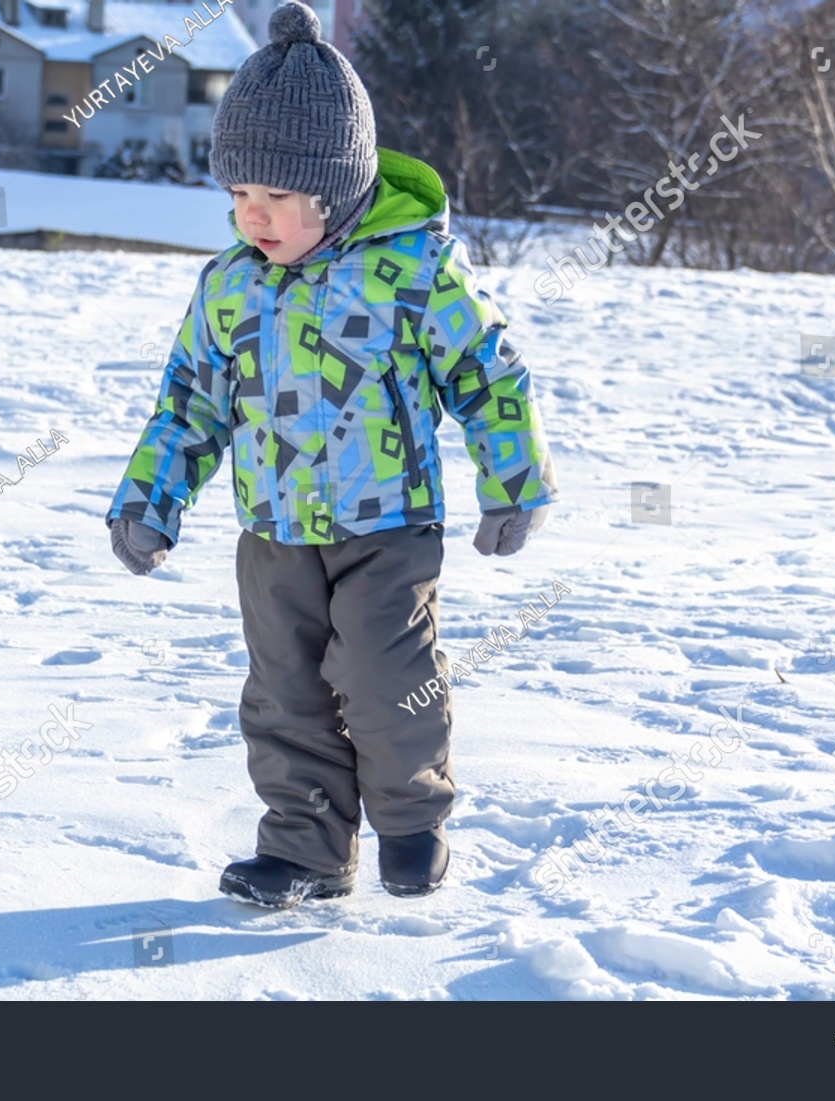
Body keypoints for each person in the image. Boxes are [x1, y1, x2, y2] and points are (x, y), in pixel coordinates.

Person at [106, 2, 557, 908]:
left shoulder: (415, 269)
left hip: (387, 528)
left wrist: (515, 481)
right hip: (272, 533)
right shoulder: (230, 285)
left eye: (274, 199)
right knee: (283, 695)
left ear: (336, 189)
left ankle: (411, 818)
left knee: (385, 677)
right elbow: (189, 404)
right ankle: (307, 846)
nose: (251, 217)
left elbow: (488, 373)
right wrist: (150, 501)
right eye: (238, 196)